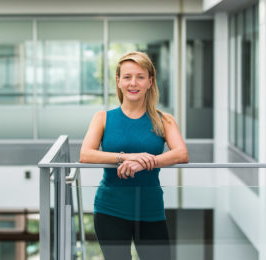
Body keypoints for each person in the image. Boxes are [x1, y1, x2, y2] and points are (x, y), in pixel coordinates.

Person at [79, 51, 189, 259]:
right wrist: (126, 157)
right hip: (109, 209)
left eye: (140, 77)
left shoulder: (163, 120)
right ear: (119, 81)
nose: (133, 83)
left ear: (150, 81)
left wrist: (148, 161)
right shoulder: (102, 118)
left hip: (151, 209)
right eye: (127, 77)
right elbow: (85, 154)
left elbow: (182, 153)